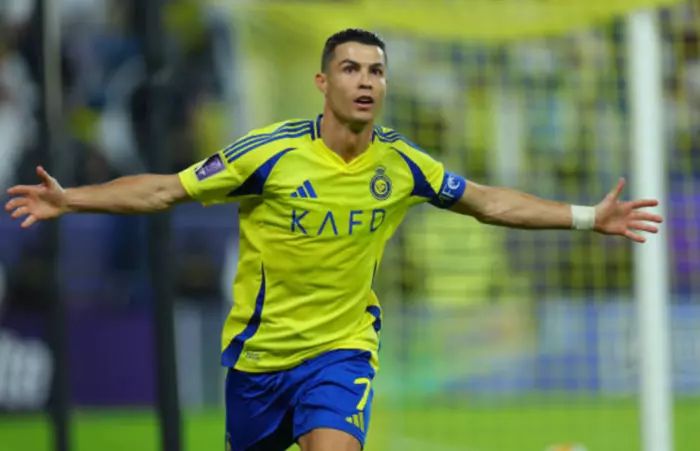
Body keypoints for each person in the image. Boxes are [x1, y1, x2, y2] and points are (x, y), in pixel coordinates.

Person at [4, 28, 663, 451]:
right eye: (351, 69)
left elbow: (488, 201)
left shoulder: (402, 163)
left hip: (340, 352)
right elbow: (164, 191)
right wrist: (71, 199)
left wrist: (587, 216)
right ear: (324, 83)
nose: (366, 80)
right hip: (258, 359)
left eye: (376, 70)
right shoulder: (268, 155)